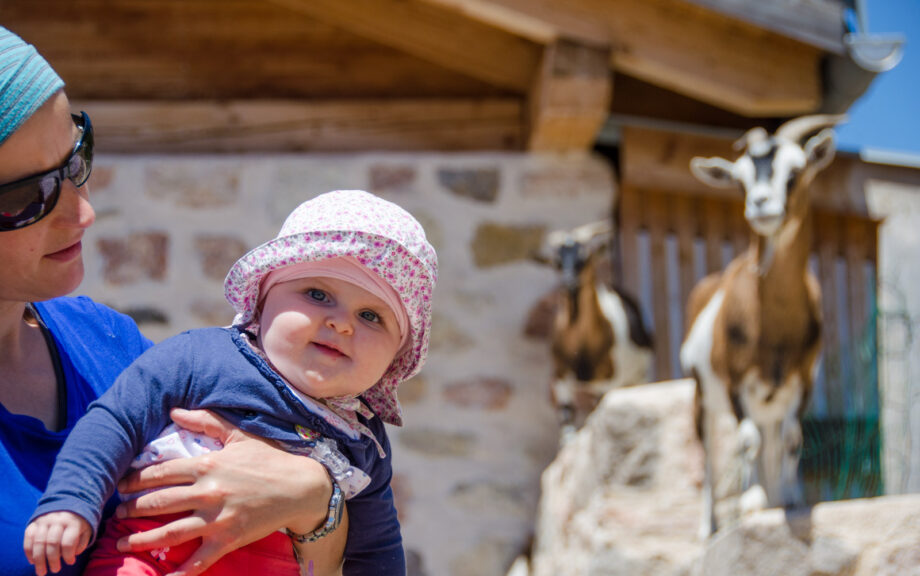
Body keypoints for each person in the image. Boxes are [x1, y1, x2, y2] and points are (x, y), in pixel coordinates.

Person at [0, 26, 348, 576]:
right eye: (26, 197)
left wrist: (313, 498)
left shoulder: (111, 344)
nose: (82, 213)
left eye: (76, 160)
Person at [25, 189, 439, 575]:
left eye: (371, 316)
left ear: (393, 357)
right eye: (317, 293)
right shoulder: (203, 356)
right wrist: (72, 501)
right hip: (149, 558)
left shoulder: (364, 439)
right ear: (263, 298)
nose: (341, 322)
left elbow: (377, 551)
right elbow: (115, 420)